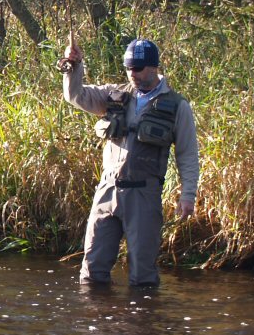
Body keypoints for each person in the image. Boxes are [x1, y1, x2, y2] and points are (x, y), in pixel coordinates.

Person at [58, 34, 199, 287]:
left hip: (144, 196)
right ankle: (98, 323)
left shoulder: (177, 106)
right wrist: (74, 66)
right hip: (107, 192)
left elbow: (187, 154)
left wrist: (188, 196)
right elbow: (76, 95)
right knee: (91, 272)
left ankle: (143, 323)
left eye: (137, 68)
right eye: (128, 68)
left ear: (154, 67)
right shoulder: (113, 95)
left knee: (143, 276)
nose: (131, 74)